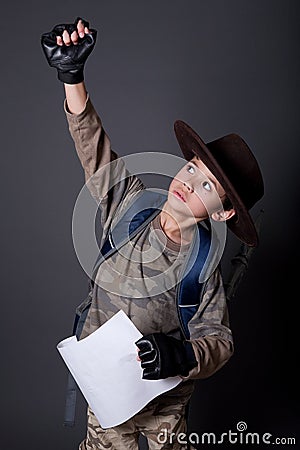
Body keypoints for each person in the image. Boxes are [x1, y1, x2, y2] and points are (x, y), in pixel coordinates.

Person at [41, 17, 264, 450]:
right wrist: (72, 77)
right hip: (105, 392)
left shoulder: (202, 268)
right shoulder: (128, 208)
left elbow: (219, 340)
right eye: (193, 169)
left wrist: (184, 355)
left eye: (206, 187)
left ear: (223, 212)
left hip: (164, 404)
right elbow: (95, 147)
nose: (188, 181)